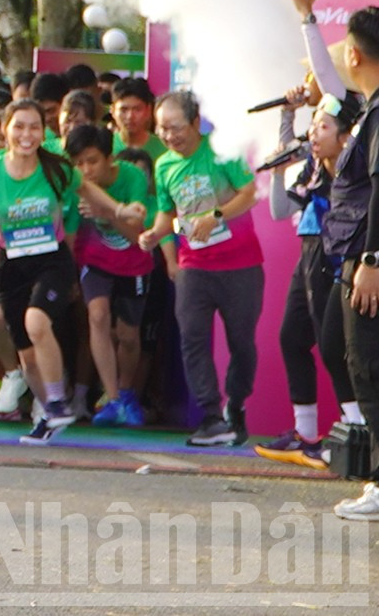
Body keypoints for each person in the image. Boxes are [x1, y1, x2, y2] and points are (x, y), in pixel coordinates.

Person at [0, 98, 145, 445]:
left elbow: (88, 190)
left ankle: (57, 400)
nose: (27, 135)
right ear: (4, 130)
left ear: (44, 133)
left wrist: (120, 209)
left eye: (34, 127)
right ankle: (48, 416)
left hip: (52, 260)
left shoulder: (56, 168)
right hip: (11, 264)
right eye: (19, 127)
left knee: (37, 321)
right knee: (26, 356)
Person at [135, 91, 265, 447]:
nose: (169, 136)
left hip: (241, 264)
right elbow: (168, 213)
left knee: (241, 342)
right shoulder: (164, 165)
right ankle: (211, 416)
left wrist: (216, 215)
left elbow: (249, 192)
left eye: (176, 128)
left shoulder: (222, 151)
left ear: (195, 123)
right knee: (192, 337)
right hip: (194, 264)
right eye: (161, 129)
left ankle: (235, 406)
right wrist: (155, 234)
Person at [259, 88, 359, 468]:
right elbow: (279, 208)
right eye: (312, 124)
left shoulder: (351, 170)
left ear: (347, 134)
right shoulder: (312, 169)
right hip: (309, 253)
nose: (313, 133)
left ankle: (357, 431)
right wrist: (282, 156)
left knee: (334, 347)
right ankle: (306, 434)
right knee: (291, 336)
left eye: (323, 125)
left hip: (334, 258)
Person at [325, 2, 379, 522]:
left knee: (369, 368)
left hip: (367, 261)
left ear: (356, 53)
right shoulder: (369, 110)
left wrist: (372, 259)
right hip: (353, 255)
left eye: (343, 45)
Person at [64, 124, 155, 427]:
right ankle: (113, 398)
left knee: (128, 336)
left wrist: (107, 213)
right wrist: (69, 276)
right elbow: (72, 233)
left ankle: (127, 392)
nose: (85, 170)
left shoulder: (131, 177)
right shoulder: (74, 184)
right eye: (78, 163)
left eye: (92, 161)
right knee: (98, 316)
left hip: (133, 262)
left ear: (109, 158)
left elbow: (136, 235)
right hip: (94, 261)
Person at [110, 78, 168, 160]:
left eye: (137, 109)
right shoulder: (104, 147)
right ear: (112, 111)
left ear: (148, 110)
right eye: (124, 110)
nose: (130, 116)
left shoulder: (165, 149)